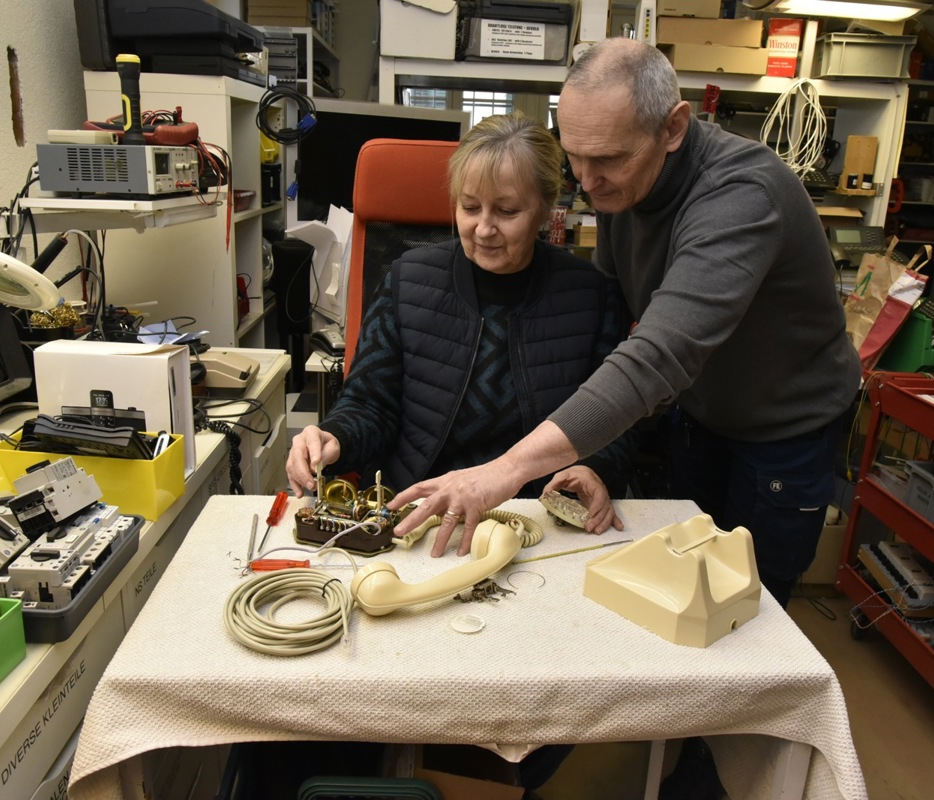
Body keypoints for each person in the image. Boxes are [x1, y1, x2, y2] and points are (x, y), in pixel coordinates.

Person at [390, 38, 860, 609]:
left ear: (674, 128)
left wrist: (506, 471)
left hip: (781, 431)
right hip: (699, 415)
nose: (586, 181)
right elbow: (617, 333)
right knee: (686, 589)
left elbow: (657, 355)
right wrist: (590, 462)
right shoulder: (621, 190)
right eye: (575, 157)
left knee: (750, 607)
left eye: (608, 159)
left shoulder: (740, 197)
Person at [286, 112, 634, 546]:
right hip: (422, 513)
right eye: (469, 207)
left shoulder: (592, 297)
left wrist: (595, 468)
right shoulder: (407, 280)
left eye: (507, 211)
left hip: (539, 520)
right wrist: (333, 436)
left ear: (546, 209)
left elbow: (616, 421)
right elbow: (370, 404)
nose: (483, 228)